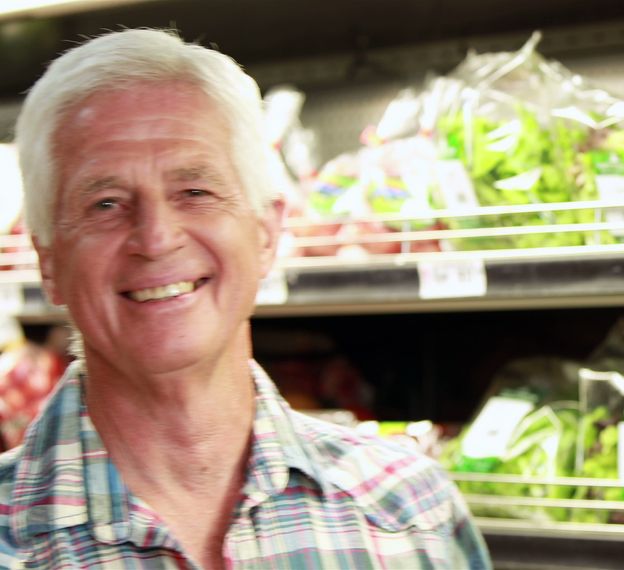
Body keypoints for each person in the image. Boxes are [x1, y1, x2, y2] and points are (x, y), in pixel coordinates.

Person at [0, 28, 491, 569]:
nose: (157, 238)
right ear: (48, 261)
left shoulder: (410, 511)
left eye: (195, 192)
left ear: (265, 234)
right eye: (106, 203)